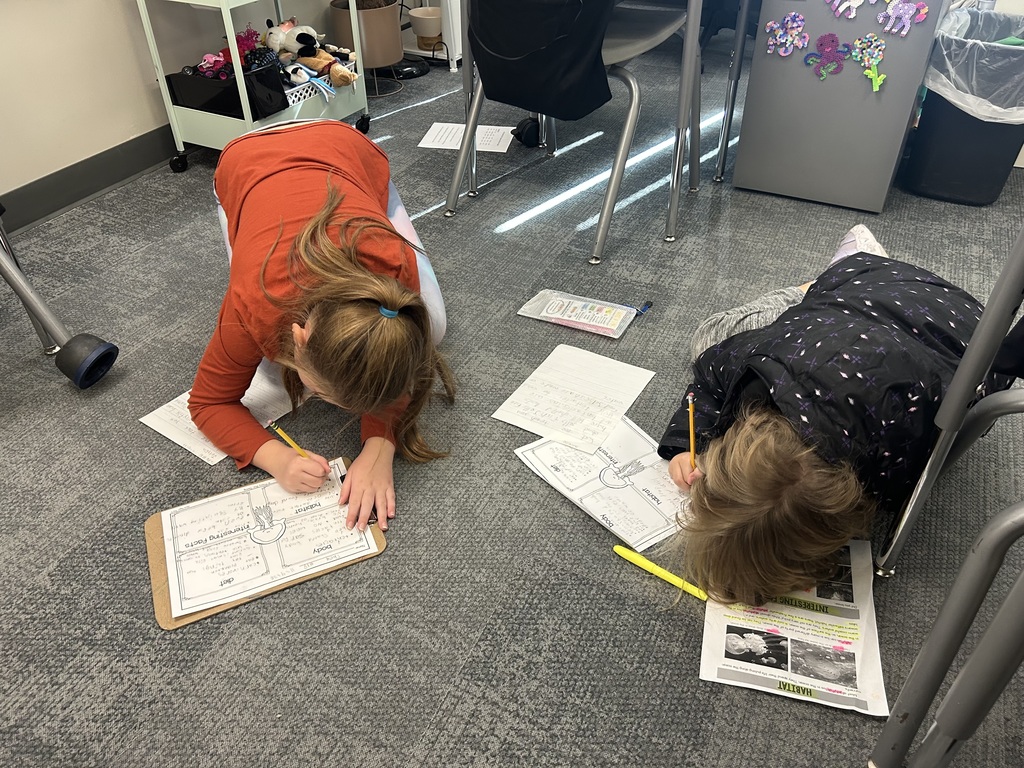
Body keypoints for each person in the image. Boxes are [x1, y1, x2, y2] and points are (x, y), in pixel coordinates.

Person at [658, 226, 1017, 606]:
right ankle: (823, 284)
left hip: (947, 321)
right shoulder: (760, 366)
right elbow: (710, 379)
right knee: (715, 341)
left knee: (709, 336)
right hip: (921, 308)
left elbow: (971, 420)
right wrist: (684, 443)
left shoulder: (900, 470)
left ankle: (821, 283)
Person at [188, 120, 454, 533]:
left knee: (429, 326)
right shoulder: (252, 303)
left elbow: (396, 354)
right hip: (246, 157)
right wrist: (274, 457)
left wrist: (379, 446)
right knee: (272, 374)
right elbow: (208, 403)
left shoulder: (391, 268)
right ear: (300, 335)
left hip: (347, 147)